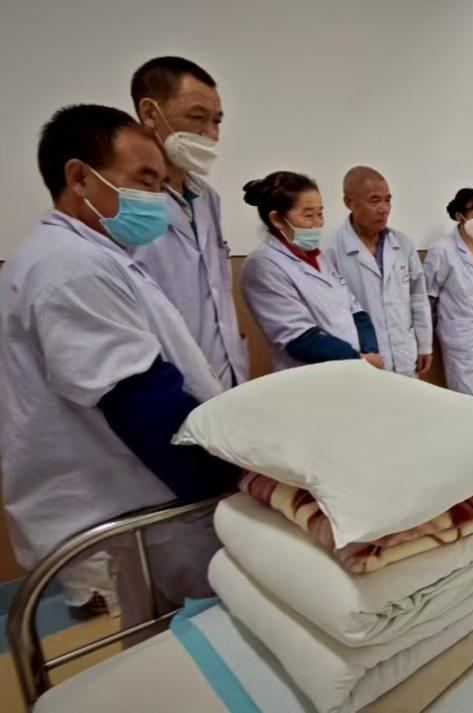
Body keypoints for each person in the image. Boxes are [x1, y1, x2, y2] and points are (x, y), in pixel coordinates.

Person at [0, 105, 239, 631]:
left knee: (161, 641)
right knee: (199, 638)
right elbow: (140, 402)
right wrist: (234, 477)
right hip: (151, 498)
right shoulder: (69, 265)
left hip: (150, 501)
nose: (156, 198)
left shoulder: (93, 255)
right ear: (80, 177)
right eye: (145, 181)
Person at [129, 57, 248, 388]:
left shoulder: (207, 197)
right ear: (150, 113)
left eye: (217, 121)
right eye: (197, 118)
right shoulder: (125, 205)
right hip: (167, 385)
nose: (211, 134)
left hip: (225, 378)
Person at [239, 172, 382, 372]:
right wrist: (358, 359)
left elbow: (356, 311)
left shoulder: (318, 257)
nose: (318, 223)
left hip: (355, 368)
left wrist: (370, 351)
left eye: (320, 213)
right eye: (308, 215)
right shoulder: (263, 265)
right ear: (277, 219)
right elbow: (299, 337)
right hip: (313, 376)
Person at [324, 166, 432, 378]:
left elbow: (418, 297)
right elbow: (330, 312)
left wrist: (424, 345)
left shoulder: (402, 244)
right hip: (363, 359)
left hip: (405, 355)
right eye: (374, 201)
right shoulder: (330, 250)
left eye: (387, 200)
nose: (384, 209)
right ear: (348, 202)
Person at [425, 188, 473, 401]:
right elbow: (427, 298)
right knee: (468, 404)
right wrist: (426, 338)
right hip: (460, 340)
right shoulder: (442, 250)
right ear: (460, 217)